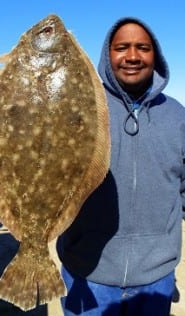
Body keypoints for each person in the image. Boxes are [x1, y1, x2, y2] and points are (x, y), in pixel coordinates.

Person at [56, 17, 185, 316]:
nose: (132, 56)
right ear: (107, 54)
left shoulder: (178, 116)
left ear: (156, 56)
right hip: (86, 273)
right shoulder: (80, 108)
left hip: (156, 278)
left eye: (143, 47)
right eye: (121, 47)